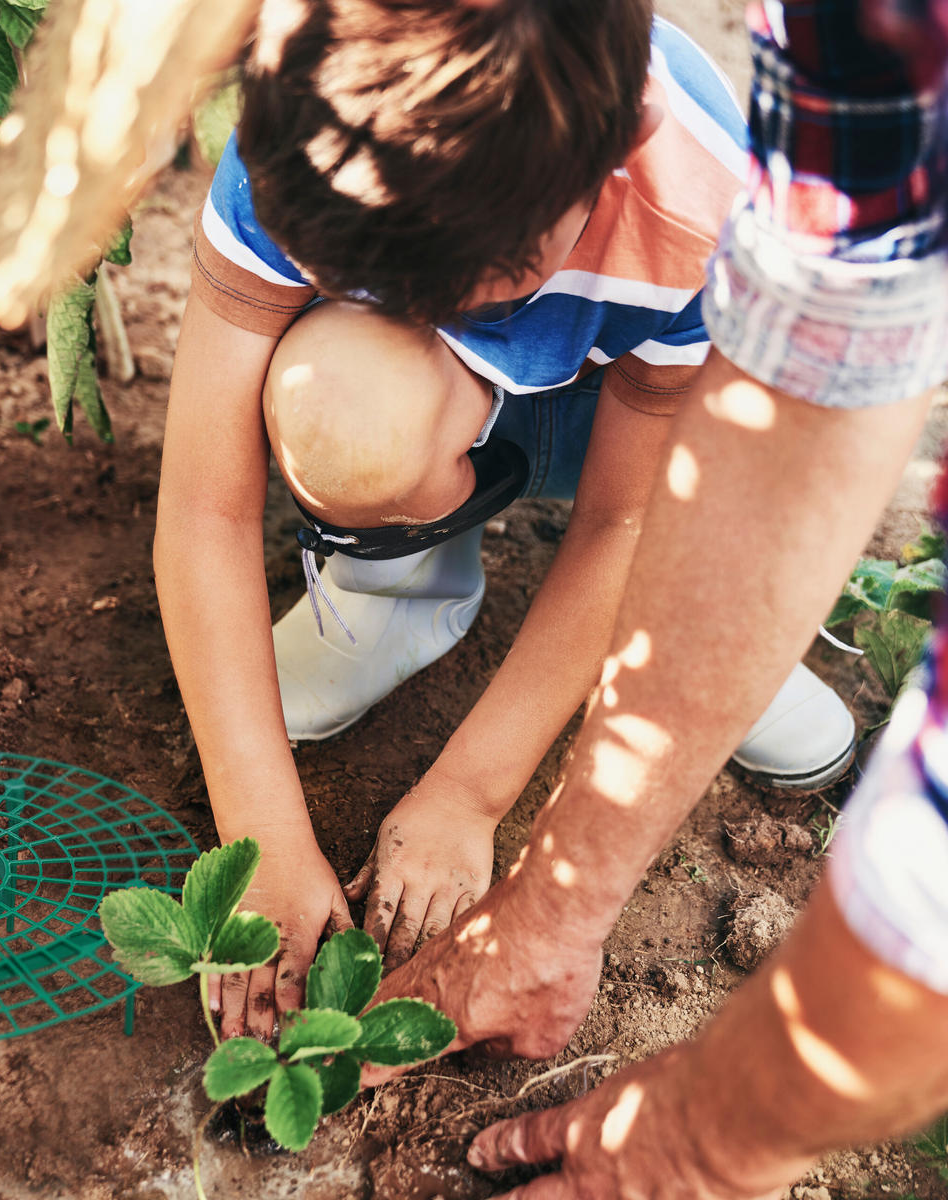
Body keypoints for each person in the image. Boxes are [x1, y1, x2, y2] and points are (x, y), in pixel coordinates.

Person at [155, 0, 867, 1042]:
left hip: (650, 407)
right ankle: (400, 589)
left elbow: (627, 519)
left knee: (759, 450)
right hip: (439, 399)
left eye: (473, 279)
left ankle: (695, 633)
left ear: (616, 148)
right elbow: (204, 506)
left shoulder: (705, 199)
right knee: (338, 409)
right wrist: (259, 833)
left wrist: (470, 796)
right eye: (382, 277)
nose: (428, 298)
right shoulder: (308, 125)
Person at [363, 1, 948, 1194]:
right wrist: (554, 909)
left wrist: (717, 1138)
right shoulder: (870, 32)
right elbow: (829, 340)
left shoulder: (690, 182)